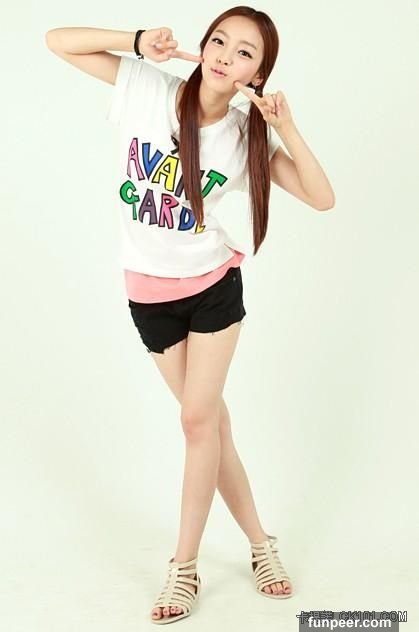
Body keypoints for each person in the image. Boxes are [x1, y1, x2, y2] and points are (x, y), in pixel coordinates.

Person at [45, 5, 335, 625]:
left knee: (197, 421)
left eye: (245, 53)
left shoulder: (245, 135)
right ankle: (261, 543)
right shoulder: (150, 89)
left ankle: (183, 567)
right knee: (211, 425)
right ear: (203, 46)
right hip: (148, 292)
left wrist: (286, 126)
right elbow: (57, 41)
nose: (226, 55)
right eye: (220, 41)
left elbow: (321, 196)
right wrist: (136, 41)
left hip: (211, 288)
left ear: (257, 75)